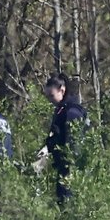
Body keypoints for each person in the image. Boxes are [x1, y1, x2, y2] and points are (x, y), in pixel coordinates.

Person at [37, 73, 89, 204]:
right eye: (47, 96)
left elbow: (74, 141)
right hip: (62, 166)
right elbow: (56, 135)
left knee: (67, 201)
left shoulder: (71, 111)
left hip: (70, 168)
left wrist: (70, 165)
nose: (50, 99)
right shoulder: (61, 110)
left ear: (62, 90)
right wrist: (47, 149)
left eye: (52, 95)